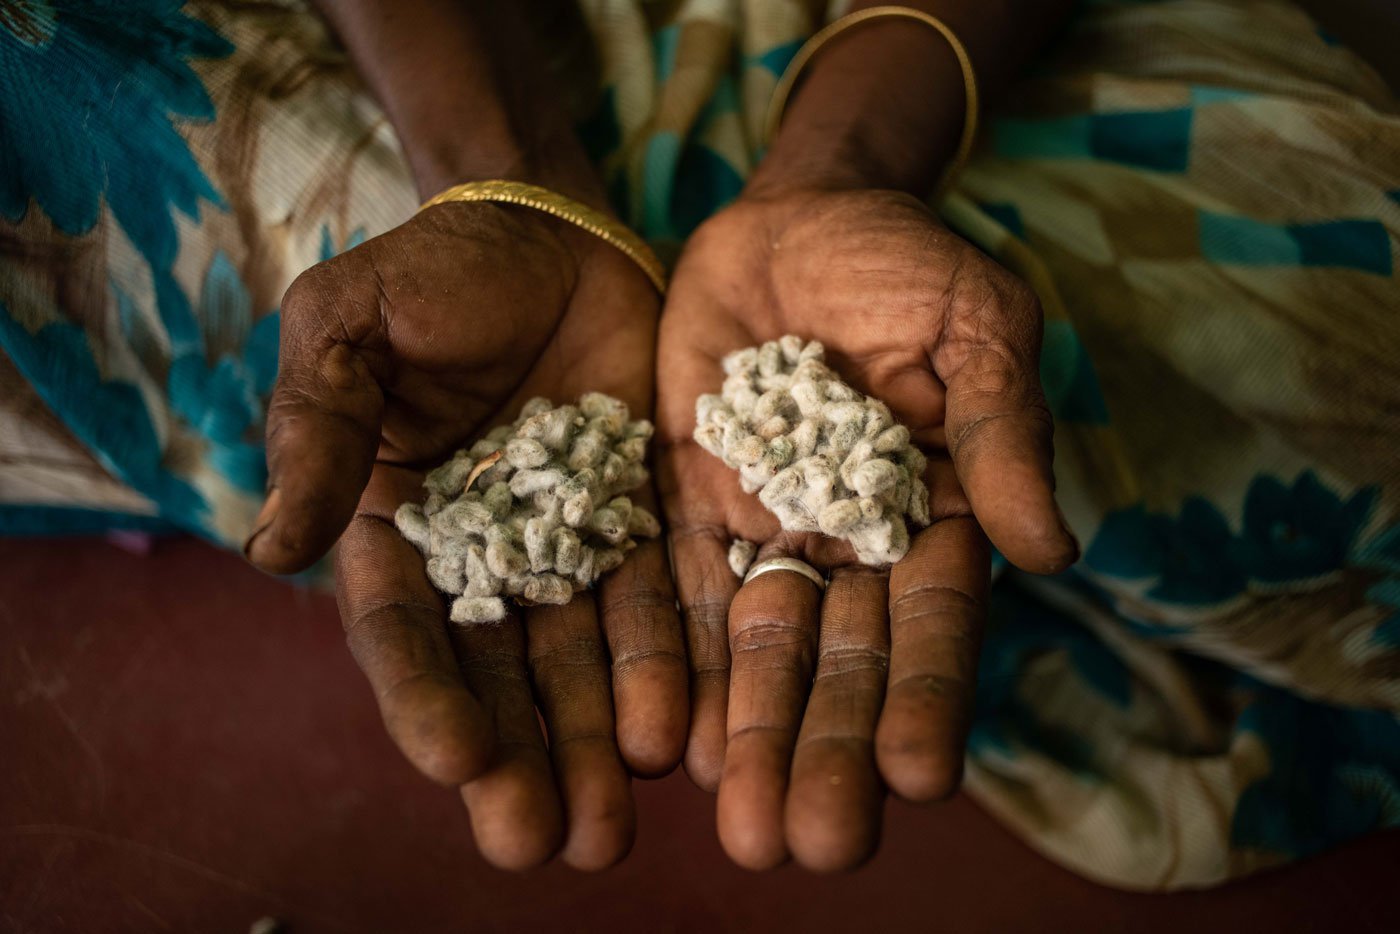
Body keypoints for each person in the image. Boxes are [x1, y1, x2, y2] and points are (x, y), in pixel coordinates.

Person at [2, 0, 1397, 887]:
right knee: (136, 159)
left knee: (1333, 363)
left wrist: (843, 164)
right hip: (439, 53)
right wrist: (509, 177)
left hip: (921, 51)